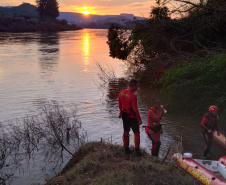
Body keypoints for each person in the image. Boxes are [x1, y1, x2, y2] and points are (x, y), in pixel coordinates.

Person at [118, 79, 142, 155]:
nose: (137, 88)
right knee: (136, 133)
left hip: (124, 115)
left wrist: (122, 112)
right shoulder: (133, 96)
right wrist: (139, 119)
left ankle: (126, 149)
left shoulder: (121, 93)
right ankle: (137, 151)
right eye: (137, 86)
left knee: (126, 131)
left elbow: (120, 105)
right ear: (133, 86)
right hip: (132, 116)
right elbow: (135, 110)